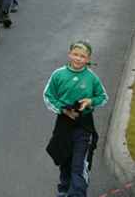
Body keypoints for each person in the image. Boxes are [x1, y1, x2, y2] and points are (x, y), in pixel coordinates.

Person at [44, 41, 108, 197]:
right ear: (69, 54)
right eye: (75, 54)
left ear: (88, 58)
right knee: (65, 158)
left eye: (82, 56)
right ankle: (64, 189)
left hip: (84, 125)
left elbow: (103, 97)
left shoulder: (91, 78)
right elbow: (48, 96)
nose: (78, 59)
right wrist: (62, 109)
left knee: (79, 164)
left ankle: (77, 193)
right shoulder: (58, 74)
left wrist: (90, 101)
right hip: (63, 124)